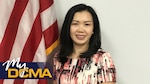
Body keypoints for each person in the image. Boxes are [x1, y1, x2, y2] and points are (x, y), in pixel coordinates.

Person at [53, 4, 116, 84]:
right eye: (75, 24)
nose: (80, 30)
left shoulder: (103, 59)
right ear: (68, 28)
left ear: (93, 29)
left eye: (86, 24)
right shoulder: (58, 58)